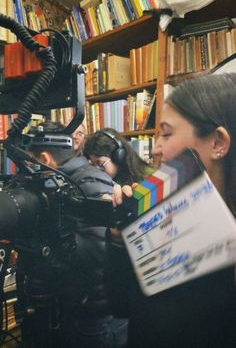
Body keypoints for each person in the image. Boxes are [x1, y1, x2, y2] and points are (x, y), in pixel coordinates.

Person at [106, 73, 236, 348]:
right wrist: (119, 243)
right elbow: (120, 307)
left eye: (166, 134)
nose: (155, 149)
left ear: (217, 143)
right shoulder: (156, 218)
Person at [19, 121, 128, 348]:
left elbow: (99, 253)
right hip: (77, 307)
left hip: (96, 319)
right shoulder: (62, 182)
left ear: (45, 160)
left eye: (31, 162)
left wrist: (46, 251)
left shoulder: (87, 183)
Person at [84, 127, 153, 186]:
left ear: (118, 157)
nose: (96, 171)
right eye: (93, 165)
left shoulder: (149, 178)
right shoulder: (107, 180)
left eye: (100, 164)